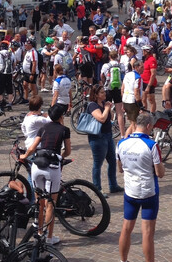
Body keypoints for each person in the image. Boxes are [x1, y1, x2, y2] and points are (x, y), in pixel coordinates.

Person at [116, 112, 171, 262]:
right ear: (148, 126)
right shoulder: (151, 145)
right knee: (147, 233)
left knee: (126, 228)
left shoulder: (121, 143)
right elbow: (160, 173)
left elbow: (120, 169)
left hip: (130, 192)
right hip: (148, 192)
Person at [20, 104, 72, 245]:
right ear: (61, 116)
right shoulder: (64, 130)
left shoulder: (43, 128)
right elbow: (68, 151)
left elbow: (32, 147)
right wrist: (61, 156)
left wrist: (24, 156)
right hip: (52, 167)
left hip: (37, 166)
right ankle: (49, 238)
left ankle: (39, 233)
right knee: (51, 203)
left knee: (39, 202)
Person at [83, 85, 122, 195]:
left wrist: (109, 109)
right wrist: (106, 109)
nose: (104, 94)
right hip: (97, 137)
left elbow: (109, 117)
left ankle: (113, 185)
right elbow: (101, 118)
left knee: (112, 161)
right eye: (102, 93)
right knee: (98, 164)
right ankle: (97, 189)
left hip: (108, 135)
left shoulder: (104, 103)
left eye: (104, 92)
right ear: (95, 95)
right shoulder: (92, 105)